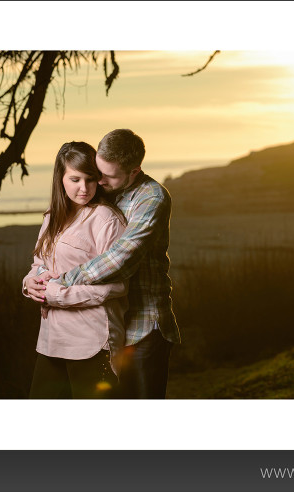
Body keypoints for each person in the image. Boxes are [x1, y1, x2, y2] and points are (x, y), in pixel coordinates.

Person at [25, 129, 181, 399]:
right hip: (111, 319)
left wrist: (57, 284)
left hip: (143, 321)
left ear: (134, 171)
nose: (98, 181)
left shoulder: (151, 198)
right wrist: (31, 281)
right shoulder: (105, 191)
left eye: (106, 176)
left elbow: (119, 258)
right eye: (98, 171)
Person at [22, 141, 127, 399]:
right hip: (51, 340)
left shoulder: (106, 219)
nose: (84, 188)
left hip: (91, 341)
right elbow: (39, 265)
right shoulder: (52, 217)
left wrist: (56, 295)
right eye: (75, 179)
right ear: (60, 178)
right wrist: (29, 283)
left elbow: (118, 286)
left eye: (90, 179)